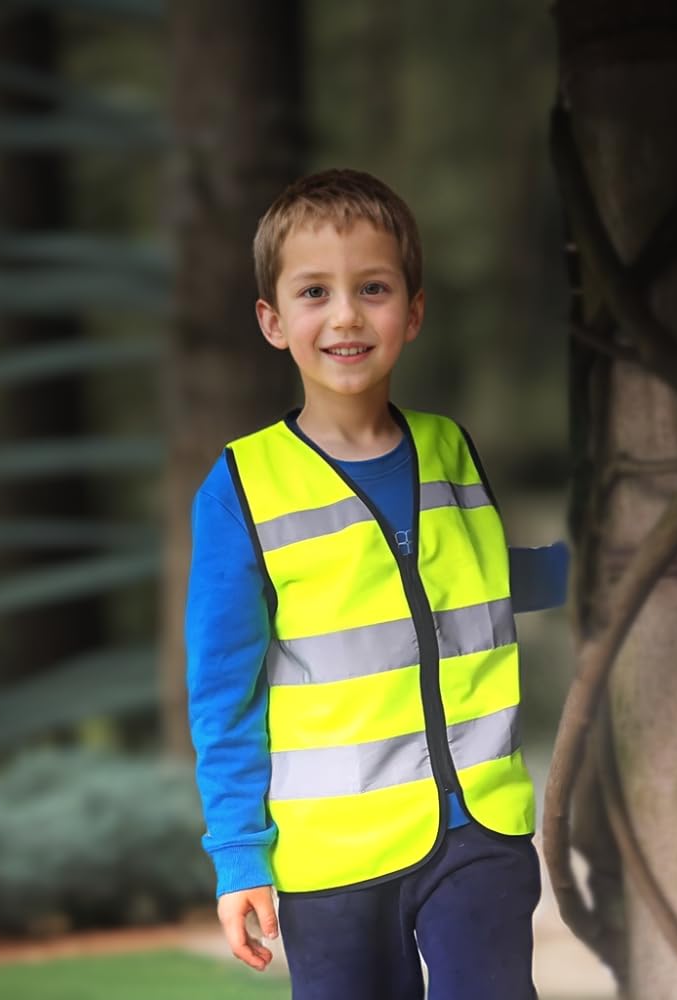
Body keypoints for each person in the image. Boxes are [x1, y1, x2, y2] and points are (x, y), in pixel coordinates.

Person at [185, 168, 568, 1000]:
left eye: (373, 288)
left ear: (413, 312)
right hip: (333, 859)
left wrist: (604, 561)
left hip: (478, 831)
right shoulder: (242, 487)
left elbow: (481, 577)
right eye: (314, 292)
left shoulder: (449, 448)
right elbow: (223, 692)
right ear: (273, 321)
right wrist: (239, 856)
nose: (347, 315)